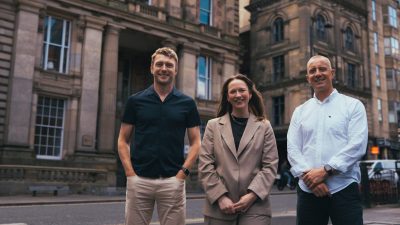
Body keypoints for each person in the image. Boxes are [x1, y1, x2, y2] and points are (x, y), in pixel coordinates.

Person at [117, 47, 201, 225]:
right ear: (152, 68)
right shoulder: (135, 101)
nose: (164, 68)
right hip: (139, 180)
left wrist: (182, 174)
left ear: (176, 70)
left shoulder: (187, 103)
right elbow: (123, 140)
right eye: (160, 64)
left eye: (169, 65)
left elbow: (196, 142)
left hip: (173, 181)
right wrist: (130, 174)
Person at [287, 55, 368, 225]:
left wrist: (326, 171)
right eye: (312, 71)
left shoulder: (353, 106)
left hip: (344, 188)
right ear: (308, 78)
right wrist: (311, 180)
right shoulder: (300, 111)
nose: (318, 74)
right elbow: (293, 149)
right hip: (308, 191)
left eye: (322, 69)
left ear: (332, 73)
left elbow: (357, 145)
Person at [198, 74, 279, 225]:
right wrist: (220, 197)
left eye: (241, 90)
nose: (238, 95)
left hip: (255, 205)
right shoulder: (213, 126)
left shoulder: (264, 126)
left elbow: (270, 165)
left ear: (249, 94)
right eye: (232, 92)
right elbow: (205, 164)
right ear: (227, 97)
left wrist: (252, 195)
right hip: (219, 206)